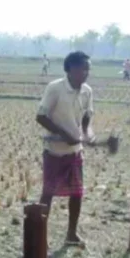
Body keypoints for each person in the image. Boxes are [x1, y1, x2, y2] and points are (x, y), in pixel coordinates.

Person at [36, 51, 94, 245]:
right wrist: (63, 135)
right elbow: (41, 116)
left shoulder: (87, 91)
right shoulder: (55, 88)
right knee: (48, 192)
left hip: (75, 152)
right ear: (70, 69)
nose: (86, 72)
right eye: (82, 68)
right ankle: (39, 233)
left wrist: (87, 134)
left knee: (77, 194)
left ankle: (71, 234)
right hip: (54, 151)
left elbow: (86, 116)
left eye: (88, 68)